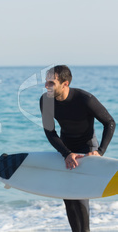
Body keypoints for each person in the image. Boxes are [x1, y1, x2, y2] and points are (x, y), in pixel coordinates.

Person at [39, 65, 115, 232]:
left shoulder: (84, 99)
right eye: (46, 82)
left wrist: (100, 152)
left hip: (87, 146)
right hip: (66, 146)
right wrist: (66, 153)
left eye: (51, 82)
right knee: (68, 196)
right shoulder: (46, 100)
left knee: (80, 197)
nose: (46, 86)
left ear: (65, 84)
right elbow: (49, 131)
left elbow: (109, 123)